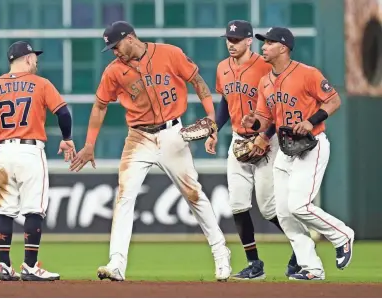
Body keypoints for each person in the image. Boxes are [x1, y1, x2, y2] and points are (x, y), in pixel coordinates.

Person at [69, 21, 232, 282]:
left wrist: (212, 118)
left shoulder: (169, 53)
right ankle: (117, 263)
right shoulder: (114, 71)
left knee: (194, 194)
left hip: (173, 133)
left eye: (116, 45)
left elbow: (197, 82)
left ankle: (221, 253)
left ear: (131, 38)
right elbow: (100, 106)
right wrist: (89, 144)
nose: (114, 52)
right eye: (111, 48)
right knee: (124, 197)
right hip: (139, 136)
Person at [241, 27, 355, 280]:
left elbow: (333, 100)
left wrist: (311, 120)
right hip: (285, 148)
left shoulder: (307, 74)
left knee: (299, 206)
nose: (263, 47)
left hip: (311, 144)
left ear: (283, 47)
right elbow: (263, 118)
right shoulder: (265, 82)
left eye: (269, 43)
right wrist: (253, 123)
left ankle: (342, 235)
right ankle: (312, 268)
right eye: (264, 42)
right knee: (284, 212)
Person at [205, 20, 299, 280]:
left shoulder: (264, 67)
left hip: (266, 141)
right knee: (237, 204)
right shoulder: (223, 68)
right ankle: (254, 264)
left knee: (269, 209)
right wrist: (215, 129)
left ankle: (302, 248)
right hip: (238, 140)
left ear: (249, 41)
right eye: (228, 39)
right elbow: (225, 103)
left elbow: (277, 108)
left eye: (236, 40)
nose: (231, 44)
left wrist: (265, 136)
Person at [0, 41, 75, 281]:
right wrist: (67, 139)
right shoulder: (41, 84)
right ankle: (30, 266)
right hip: (30, 152)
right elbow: (63, 112)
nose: (36, 61)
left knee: (6, 210)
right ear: (27, 58)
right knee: (34, 210)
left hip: (3, 153)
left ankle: (4, 266)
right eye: (34, 57)